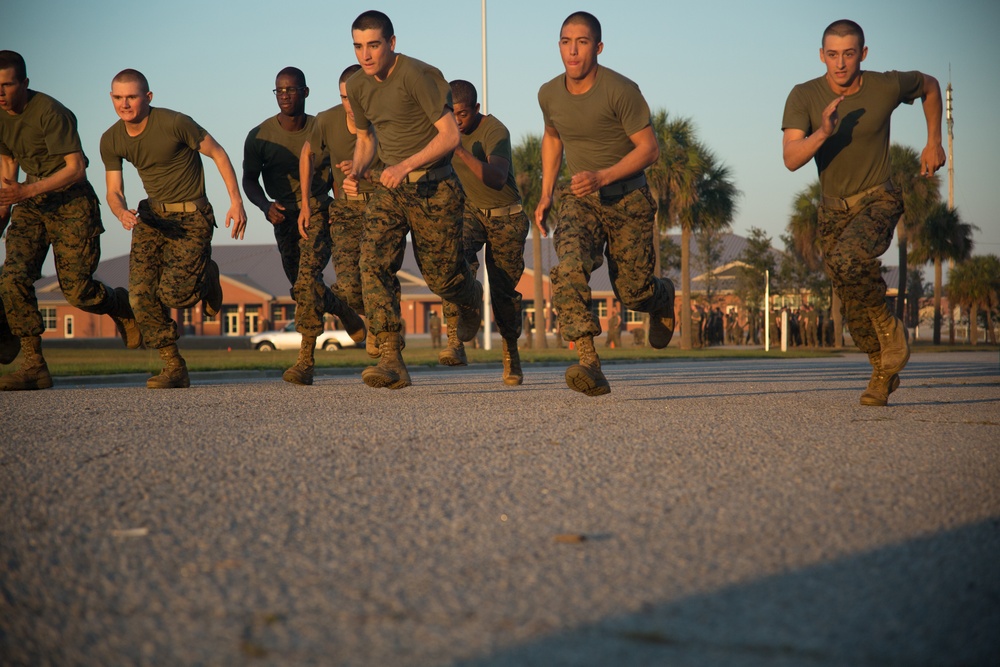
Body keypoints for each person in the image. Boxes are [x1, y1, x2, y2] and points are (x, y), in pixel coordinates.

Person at [782, 19, 945, 406]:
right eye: (833, 55)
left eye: (849, 54)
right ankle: (882, 372)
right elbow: (790, 159)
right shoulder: (803, 95)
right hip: (832, 211)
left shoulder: (885, 86)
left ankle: (891, 332)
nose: (840, 64)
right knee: (852, 307)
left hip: (879, 197)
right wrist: (821, 132)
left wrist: (933, 142)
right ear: (822, 56)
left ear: (863, 54)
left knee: (848, 257)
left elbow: (930, 85)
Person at [535, 12, 676, 396]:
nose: (573, 50)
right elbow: (552, 138)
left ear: (597, 47)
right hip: (580, 198)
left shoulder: (621, 90)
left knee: (632, 292)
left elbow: (649, 149)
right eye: (566, 41)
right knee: (569, 267)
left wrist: (603, 176)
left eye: (581, 42)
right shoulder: (549, 93)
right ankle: (589, 362)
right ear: (559, 46)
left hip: (628, 197)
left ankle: (662, 296)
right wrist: (547, 192)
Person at [344, 10, 483, 390]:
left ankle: (470, 296)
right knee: (372, 262)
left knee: (441, 277)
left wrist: (405, 165)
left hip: (435, 187)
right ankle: (391, 356)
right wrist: (356, 172)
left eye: (373, 45)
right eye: (358, 46)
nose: (366, 55)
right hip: (392, 190)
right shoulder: (358, 86)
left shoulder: (419, 75)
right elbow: (366, 139)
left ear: (391, 43)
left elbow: (449, 136)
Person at [0, 51, 141, 391]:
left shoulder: (50, 112)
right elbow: (7, 163)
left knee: (77, 292)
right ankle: (34, 365)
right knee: (12, 277)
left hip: (71, 201)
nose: (0, 93)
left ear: (25, 83)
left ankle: (119, 304)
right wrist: (4, 210)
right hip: (30, 201)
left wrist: (26, 190)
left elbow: (77, 168)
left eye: (7, 85)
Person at [100, 68, 247, 388]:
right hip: (151, 218)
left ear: (148, 97)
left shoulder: (175, 122)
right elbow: (113, 190)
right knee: (140, 297)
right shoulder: (111, 139)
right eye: (118, 97)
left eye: (132, 97)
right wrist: (120, 211)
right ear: (112, 98)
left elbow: (218, 153)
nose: (125, 104)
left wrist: (235, 201)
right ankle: (173, 365)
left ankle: (208, 275)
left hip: (192, 217)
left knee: (175, 295)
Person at [244, 66, 365, 386]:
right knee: (302, 288)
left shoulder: (321, 126)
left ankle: (305, 361)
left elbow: (340, 171)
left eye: (291, 90)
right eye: (279, 91)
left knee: (309, 279)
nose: (285, 96)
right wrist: (264, 205)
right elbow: (249, 180)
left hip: (318, 210)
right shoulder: (260, 135)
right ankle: (344, 311)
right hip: (283, 218)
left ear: (305, 92)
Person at [440, 79, 528, 385]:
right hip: (471, 211)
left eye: (462, 115)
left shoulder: (495, 131)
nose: (457, 121)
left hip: (507, 216)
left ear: (476, 108)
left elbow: (496, 177)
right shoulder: (444, 128)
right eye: (452, 115)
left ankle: (510, 353)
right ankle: (456, 340)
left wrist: (461, 152)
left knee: (504, 293)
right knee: (451, 258)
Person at [299, 64, 390, 361]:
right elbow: (307, 153)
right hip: (346, 210)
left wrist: (367, 170)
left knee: (376, 273)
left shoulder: (386, 118)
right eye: (344, 98)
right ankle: (352, 312)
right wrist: (304, 201)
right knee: (349, 286)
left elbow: (403, 162)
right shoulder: (327, 120)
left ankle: (380, 331)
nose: (350, 105)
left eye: (355, 97)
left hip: (382, 206)